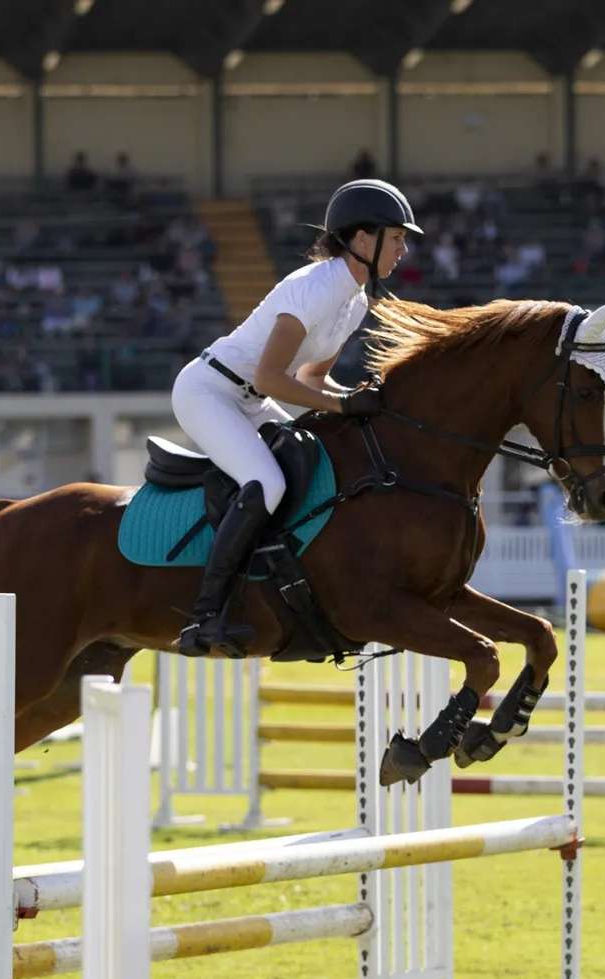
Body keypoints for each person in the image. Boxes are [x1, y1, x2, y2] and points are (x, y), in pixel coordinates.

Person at [169, 178, 421, 658]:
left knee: (320, 466)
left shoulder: (356, 300)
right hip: (209, 392)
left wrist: (362, 398)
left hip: (246, 397)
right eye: (396, 238)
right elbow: (269, 377)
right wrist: (344, 406)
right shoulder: (317, 286)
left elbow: (311, 378)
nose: (403, 249)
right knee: (268, 483)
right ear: (362, 239)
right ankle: (205, 613)